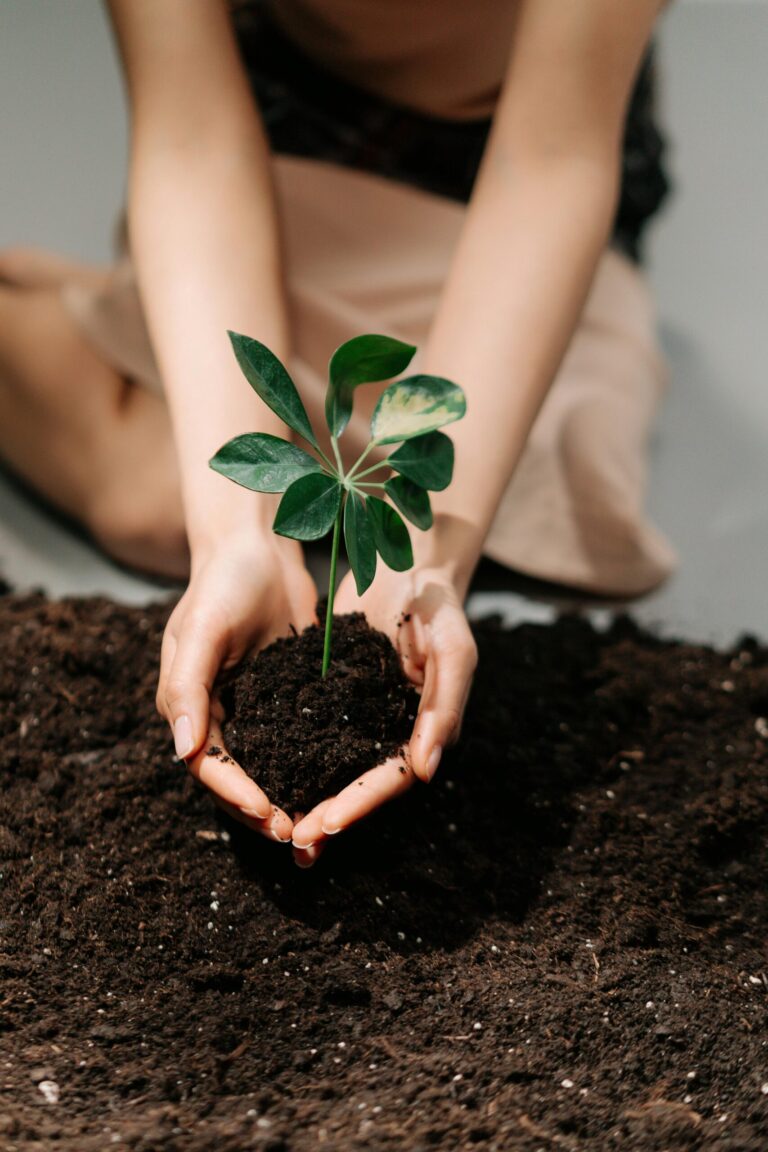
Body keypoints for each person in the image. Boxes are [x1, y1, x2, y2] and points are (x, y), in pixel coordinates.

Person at [0, 0, 673, 866]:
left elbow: (552, 162)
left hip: (517, 156)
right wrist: (239, 535)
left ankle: (112, 325)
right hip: (272, 136)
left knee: (569, 491)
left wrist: (421, 564)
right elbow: (191, 139)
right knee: (157, 504)